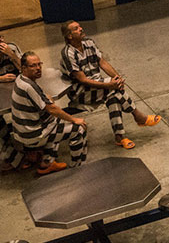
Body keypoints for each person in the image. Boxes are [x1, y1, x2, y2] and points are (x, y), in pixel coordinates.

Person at [59, 20, 162, 149]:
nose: (81, 29)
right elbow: (82, 80)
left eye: (80, 26)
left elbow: (102, 62)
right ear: (69, 36)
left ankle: (120, 137)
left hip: (98, 86)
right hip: (81, 92)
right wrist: (109, 84)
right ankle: (138, 116)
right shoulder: (68, 53)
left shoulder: (89, 43)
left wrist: (116, 77)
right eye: (76, 28)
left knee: (113, 96)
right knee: (112, 90)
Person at [11, 52, 88, 175]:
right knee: (79, 129)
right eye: (33, 66)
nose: (38, 68)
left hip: (22, 132)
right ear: (24, 68)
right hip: (33, 135)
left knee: (56, 121)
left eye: (39, 64)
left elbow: (45, 100)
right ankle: (77, 168)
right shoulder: (29, 86)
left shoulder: (20, 79)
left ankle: (46, 163)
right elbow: (51, 108)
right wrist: (74, 120)